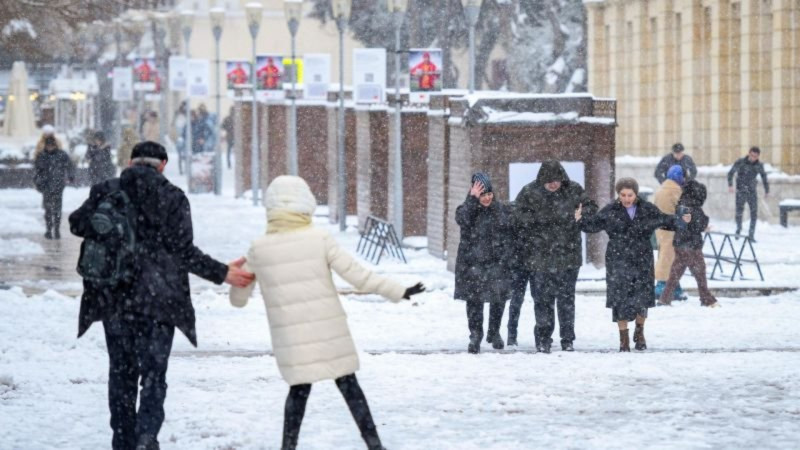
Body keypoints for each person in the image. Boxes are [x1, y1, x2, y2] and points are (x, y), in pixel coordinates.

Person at [68, 141, 255, 450]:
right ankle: (146, 437)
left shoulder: (106, 191)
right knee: (154, 376)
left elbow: (77, 224)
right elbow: (185, 252)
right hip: (160, 302)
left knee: (121, 374)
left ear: (130, 162)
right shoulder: (173, 198)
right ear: (163, 164)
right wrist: (222, 272)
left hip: (114, 299)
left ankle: (123, 440)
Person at [229, 175, 425, 450]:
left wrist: (235, 275)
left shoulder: (259, 249)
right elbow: (358, 276)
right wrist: (398, 290)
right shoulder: (319, 238)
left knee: (298, 391)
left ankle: (288, 447)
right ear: (304, 203)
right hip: (329, 333)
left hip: (293, 339)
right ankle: (375, 445)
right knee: (349, 385)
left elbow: (238, 300)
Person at [579, 178, 690, 352]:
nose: (626, 198)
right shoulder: (611, 210)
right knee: (619, 298)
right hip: (618, 259)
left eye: (629, 195)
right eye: (622, 195)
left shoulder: (647, 209)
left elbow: (665, 221)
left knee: (642, 297)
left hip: (641, 258)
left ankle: (640, 331)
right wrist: (580, 220)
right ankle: (623, 338)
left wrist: (682, 220)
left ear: (636, 194)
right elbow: (593, 225)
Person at [512, 161, 598, 353]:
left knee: (566, 300)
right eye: (549, 181)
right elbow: (517, 216)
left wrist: (582, 214)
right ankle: (543, 338)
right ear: (542, 179)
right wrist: (537, 222)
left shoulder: (574, 190)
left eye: (556, 180)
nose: (553, 184)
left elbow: (592, 207)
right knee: (542, 300)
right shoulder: (529, 192)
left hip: (568, 256)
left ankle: (567, 339)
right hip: (539, 257)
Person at [454, 172, 512, 353]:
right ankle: (475, 335)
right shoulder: (466, 209)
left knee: (498, 299)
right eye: (483, 195)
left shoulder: (500, 210)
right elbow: (462, 219)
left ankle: (494, 332)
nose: (487, 198)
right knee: (474, 301)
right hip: (473, 263)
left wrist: (507, 255)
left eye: (489, 194)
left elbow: (509, 230)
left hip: (497, 262)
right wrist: (472, 200)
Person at [658, 180, 720, 308]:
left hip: (680, 243)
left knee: (676, 273)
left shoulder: (682, 205)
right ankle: (707, 299)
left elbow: (682, 224)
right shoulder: (693, 207)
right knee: (700, 272)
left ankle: (665, 299)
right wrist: (705, 222)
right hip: (691, 245)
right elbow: (699, 224)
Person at [653, 165, 687, 301]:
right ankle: (663, 286)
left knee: (665, 255)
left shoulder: (661, 188)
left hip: (660, 228)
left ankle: (672, 286)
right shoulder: (675, 190)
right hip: (672, 228)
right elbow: (682, 210)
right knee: (669, 257)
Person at [34, 135, 75, 239]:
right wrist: (38, 182)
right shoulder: (42, 155)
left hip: (58, 185)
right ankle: (48, 229)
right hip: (46, 186)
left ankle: (56, 229)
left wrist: (70, 176)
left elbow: (70, 165)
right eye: (48, 145)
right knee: (48, 209)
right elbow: (37, 171)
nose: (50, 147)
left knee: (57, 209)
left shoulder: (61, 155)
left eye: (51, 145)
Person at [727, 146, 769, 240]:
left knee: (754, 213)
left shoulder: (759, 165)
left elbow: (764, 177)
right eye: (752, 155)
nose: (753, 158)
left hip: (752, 192)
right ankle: (738, 229)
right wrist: (730, 185)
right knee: (739, 212)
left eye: (756, 156)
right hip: (741, 191)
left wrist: (767, 190)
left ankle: (751, 235)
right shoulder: (740, 162)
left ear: (758, 156)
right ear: (749, 153)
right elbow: (730, 173)